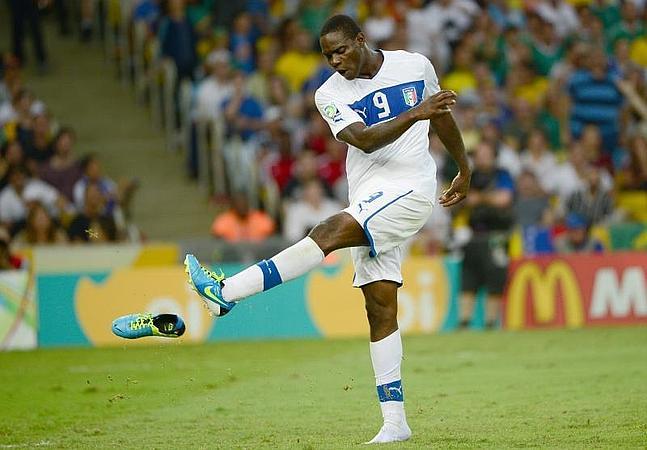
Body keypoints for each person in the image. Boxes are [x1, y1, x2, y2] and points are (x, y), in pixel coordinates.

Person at [184, 15, 469, 444]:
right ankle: (395, 422)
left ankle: (225, 293)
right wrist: (418, 111)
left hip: (411, 188)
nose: (336, 61)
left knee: (327, 231)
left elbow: (441, 117)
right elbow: (367, 139)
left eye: (342, 50)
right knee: (379, 308)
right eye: (327, 55)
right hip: (369, 195)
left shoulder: (414, 65)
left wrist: (465, 168)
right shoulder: (329, 94)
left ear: (361, 39)